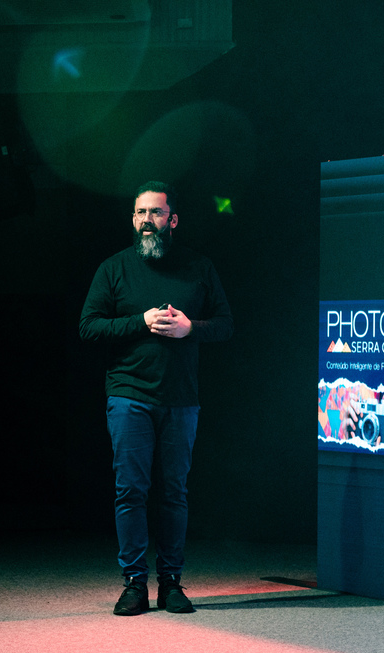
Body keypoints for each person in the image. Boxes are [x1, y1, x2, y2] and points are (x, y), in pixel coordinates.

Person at [79, 181, 233, 616]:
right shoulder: (114, 269)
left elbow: (225, 324)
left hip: (180, 398)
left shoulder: (198, 267)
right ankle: (133, 584)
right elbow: (89, 326)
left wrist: (190, 328)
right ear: (133, 219)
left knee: (174, 493)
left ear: (173, 219)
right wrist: (140, 321)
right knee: (131, 491)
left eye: (157, 212)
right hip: (129, 396)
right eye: (141, 213)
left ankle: (171, 583)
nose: (148, 220)